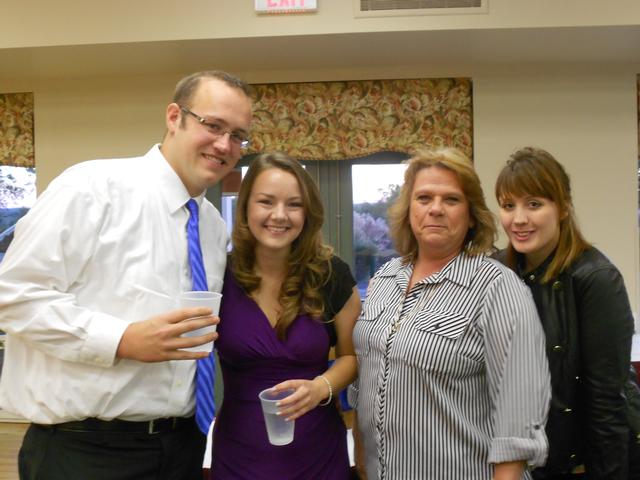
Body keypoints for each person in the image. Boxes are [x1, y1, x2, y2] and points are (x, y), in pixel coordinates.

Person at [0, 70, 253, 480]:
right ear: (175, 117)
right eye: (213, 126)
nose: (225, 145)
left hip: (184, 445)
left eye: (239, 135)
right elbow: (14, 296)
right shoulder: (92, 188)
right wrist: (120, 340)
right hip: (87, 453)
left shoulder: (210, 225)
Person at [350, 148, 551, 480]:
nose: (436, 209)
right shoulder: (385, 278)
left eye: (452, 200)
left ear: (471, 215)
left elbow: (518, 421)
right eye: (424, 197)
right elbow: (366, 380)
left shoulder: (497, 288)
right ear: (408, 209)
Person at [210, 152, 361, 479]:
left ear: (307, 213)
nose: (279, 215)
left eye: (294, 204)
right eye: (266, 202)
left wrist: (322, 387)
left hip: (318, 454)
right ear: (245, 206)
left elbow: (352, 357)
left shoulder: (331, 275)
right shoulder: (219, 275)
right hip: (239, 452)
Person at [494, 146, 640, 479]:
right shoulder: (496, 271)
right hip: (515, 461)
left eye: (534, 204)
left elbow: (606, 405)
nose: (518, 219)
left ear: (562, 208)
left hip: (577, 463)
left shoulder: (596, 279)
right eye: (508, 205)